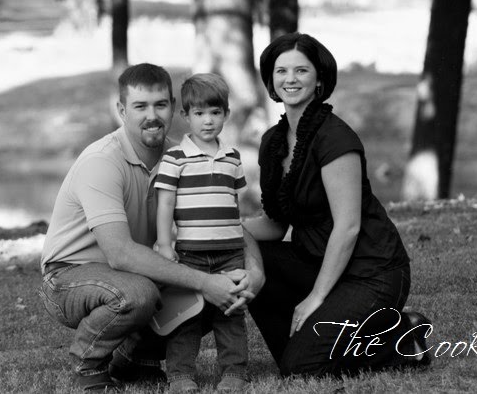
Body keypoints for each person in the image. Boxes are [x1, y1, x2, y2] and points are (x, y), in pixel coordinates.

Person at [39, 64, 264, 392]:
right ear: (121, 110)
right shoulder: (102, 161)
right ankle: (87, 365)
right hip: (69, 276)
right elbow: (120, 254)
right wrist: (206, 282)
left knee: (211, 286)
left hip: (138, 271)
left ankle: (134, 358)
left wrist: (255, 272)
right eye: (140, 106)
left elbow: (225, 220)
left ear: (173, 107)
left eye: (160, 105)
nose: (152, 116)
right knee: (141, 293)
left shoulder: (183, 158)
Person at [242, 32, 432, 377]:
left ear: (319, 80)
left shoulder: (335, 138)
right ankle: (307, 343)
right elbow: (275, 224)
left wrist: (315, 297)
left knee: (302, 367)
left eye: (301, 70)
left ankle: (404, 335)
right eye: (281, 71)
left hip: (370, 272)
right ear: (271, 79)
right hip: (315, 262)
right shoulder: (273, 142)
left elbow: (348, 227)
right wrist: (224, 227)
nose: (290, 79)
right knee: (255, 260)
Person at [154, 73, 250, 393]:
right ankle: (180, 375)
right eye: (199, 113)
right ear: (185, 116)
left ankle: (235, 372)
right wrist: (165, 243)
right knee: (187, 316)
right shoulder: (175, 158)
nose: (208, 120)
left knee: (230, 313)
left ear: (226, 114)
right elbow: (165, 202)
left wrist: (240, 243)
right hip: (190, 252)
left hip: (230, 252)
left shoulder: (233, 157)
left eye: (215, 112)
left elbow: (234, 202)